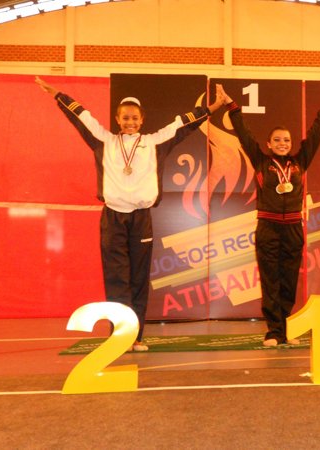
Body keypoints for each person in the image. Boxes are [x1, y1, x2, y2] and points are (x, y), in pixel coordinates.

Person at [35, 76, 223, 351]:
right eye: (125, 118)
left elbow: (184, 123)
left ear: (142, 120)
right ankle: (119, 336)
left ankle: (136, 336)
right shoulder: (104, 141)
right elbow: (81, 117)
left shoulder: (155, 142)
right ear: (117, 119)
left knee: (138, 278)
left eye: (134, 118)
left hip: (141, 219)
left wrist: (213, 107)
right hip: (113, 218)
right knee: (116, 278)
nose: (130, 122)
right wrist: (58, 95)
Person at [216, 85, 320, 347]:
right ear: (269, 144)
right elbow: (244, 133)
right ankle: (273, 332)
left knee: (288, 281)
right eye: (277, 140)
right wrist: (231, 105)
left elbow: (315, 137)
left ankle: (286, 330)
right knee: (270, 281)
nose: (282, 143)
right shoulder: (261, 162)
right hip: (268, 227)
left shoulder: (299, 163)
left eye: (286, 140)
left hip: (293, 228)